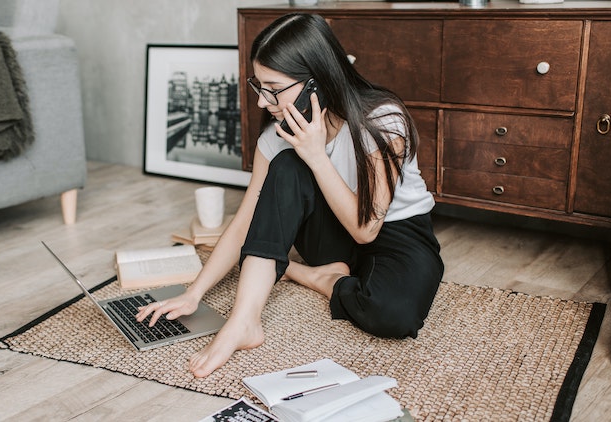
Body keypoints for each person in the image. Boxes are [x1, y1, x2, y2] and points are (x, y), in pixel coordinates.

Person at [136, 13, 444, 378]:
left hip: (396, 231)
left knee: (393, 315)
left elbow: (366, 231)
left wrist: (315, 154)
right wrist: (194, 292)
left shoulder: (382, 121)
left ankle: (311, 276)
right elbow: (246, 221)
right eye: (259, 86)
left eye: (273, 87)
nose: (264, 102)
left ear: (316, 81)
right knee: (286, 164)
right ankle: (244, 322)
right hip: (329, 236)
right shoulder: (274, 137)